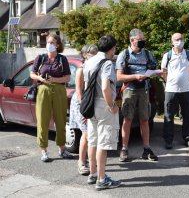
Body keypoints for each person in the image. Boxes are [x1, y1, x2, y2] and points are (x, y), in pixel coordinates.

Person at [83, 35, 121, 190]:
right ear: (112, 48)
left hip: (91, 105)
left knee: (92, 141)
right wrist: (111, 105)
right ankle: (101, 179)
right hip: (103, 104)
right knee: (103, 144)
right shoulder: (106, 63)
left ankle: (93, 174)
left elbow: (86, 85)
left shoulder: (89, 61)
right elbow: (106, 87)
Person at [116, 28, 158, 162]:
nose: (142, 42)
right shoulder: (124, 55)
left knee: (145, 120)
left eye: (143, 40)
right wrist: (135, 76)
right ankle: (124, 148)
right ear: (132, 40)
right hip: (129, 90)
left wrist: (155, 72)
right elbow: (119, 77)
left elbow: (152, 67)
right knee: (127, 119)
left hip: (144, 90)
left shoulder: (147, 54)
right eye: (140, 40)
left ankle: (146, 148)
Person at [30, 34, 73, 162]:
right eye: (48, 42)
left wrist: (54, 79)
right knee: (42, 121)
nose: (49, 44)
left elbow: (67, 77)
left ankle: (62, 149)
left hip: (59, 89)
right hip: (43, 89)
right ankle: (44, 151)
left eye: (52, 42)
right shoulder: (41, 58)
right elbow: (32, 73)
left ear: (58, 45)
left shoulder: (62, 59)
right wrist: (40, 78)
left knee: (60, 120)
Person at [161, 33, 189, 149]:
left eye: (181, 39)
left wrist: (184, 80)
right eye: (176, 39)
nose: (179, 41)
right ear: (172, 42)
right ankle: (168, 140)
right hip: (170, 89)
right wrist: (169, 81)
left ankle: (188, 138)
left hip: (186, 89)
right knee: (169, 115)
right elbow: (163, 71)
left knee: (187, 115)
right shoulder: (167, 55)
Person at [69, 44, 98, 175]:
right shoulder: (81, 69)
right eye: (92, 52)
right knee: (86, 134)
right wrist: (84, 110)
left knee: (93, 134)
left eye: (96, 52)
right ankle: (81, 162)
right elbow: (79, 93)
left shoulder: (95, 67)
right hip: (82, 104)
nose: (95, 55)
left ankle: (92, 160)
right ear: (85, 55)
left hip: (92, 103)